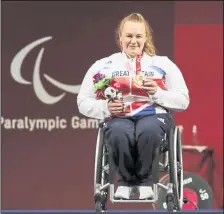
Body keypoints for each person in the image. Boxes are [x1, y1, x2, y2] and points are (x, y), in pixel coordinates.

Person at [77, 13, 189, 200]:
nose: (133, 41)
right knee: (120, 133)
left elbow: (183, 100)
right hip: (119, 116)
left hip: (153, 114)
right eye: (129, 36)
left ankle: (145, 182)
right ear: (120, 37)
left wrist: (157, 93)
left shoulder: (162, 64)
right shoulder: (103, 66)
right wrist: (106, 107)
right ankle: (126, 182)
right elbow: (83, 101)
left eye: (138, 36)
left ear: (146, 37)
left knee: (148, 131)